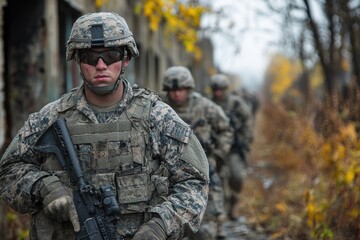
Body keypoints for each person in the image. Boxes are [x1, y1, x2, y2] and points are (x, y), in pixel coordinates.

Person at [0, 12, 210, 240]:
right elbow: (8, 170)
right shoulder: (50, 118)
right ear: (78, 60)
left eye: (110, 55)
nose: (101, 65)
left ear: (126, 58)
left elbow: (195, 181)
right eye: (91, 57)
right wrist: (44, 187)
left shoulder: (157, 117)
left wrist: (160, 226)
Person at [161, 66, 233, 240]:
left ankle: (216, 224)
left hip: (204, 166)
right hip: (168, 169)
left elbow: (226, 130)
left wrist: (217, 155)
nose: (177, 94)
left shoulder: (205, 106)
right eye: (173, 90)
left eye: (181, 89)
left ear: (189, 89)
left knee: (207, 222)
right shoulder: (160, 108)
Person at [210, 73, 254, 220]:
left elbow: (248, 121)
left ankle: (233, 204)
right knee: (218, 181)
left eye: (220, 89)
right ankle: (221, 212)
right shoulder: (209, 105)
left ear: (226, 89)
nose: (218, 93)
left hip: (235, 148)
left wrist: (246, 141)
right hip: (216, 150)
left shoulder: (236, 104)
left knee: (237, 177)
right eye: (215, 89)